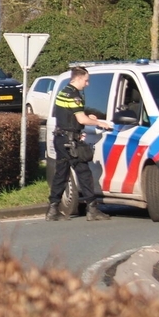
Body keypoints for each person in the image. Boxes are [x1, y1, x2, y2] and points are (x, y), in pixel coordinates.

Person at [47, 65, 113, 222]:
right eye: (86, 80)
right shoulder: (75, 96)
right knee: (84, 173)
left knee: (61, 174)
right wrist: (99, 123)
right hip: (71, 142)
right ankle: (92, 210)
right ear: (78, 78)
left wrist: (86, 117)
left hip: (60, 138)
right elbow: (81, 120)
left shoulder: (63, 92)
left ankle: (52, 209)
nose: (87, 84)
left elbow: (69, 115)